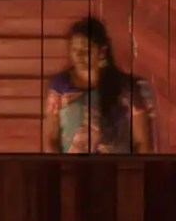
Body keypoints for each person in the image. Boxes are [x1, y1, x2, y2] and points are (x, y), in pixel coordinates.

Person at [44, 16, 156, 153]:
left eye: (86, 50)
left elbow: (142, 142)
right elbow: (50, 139)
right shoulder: (60, 87)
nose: (78, 55)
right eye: (74, 49)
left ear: (102, 51)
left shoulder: (127, 89)